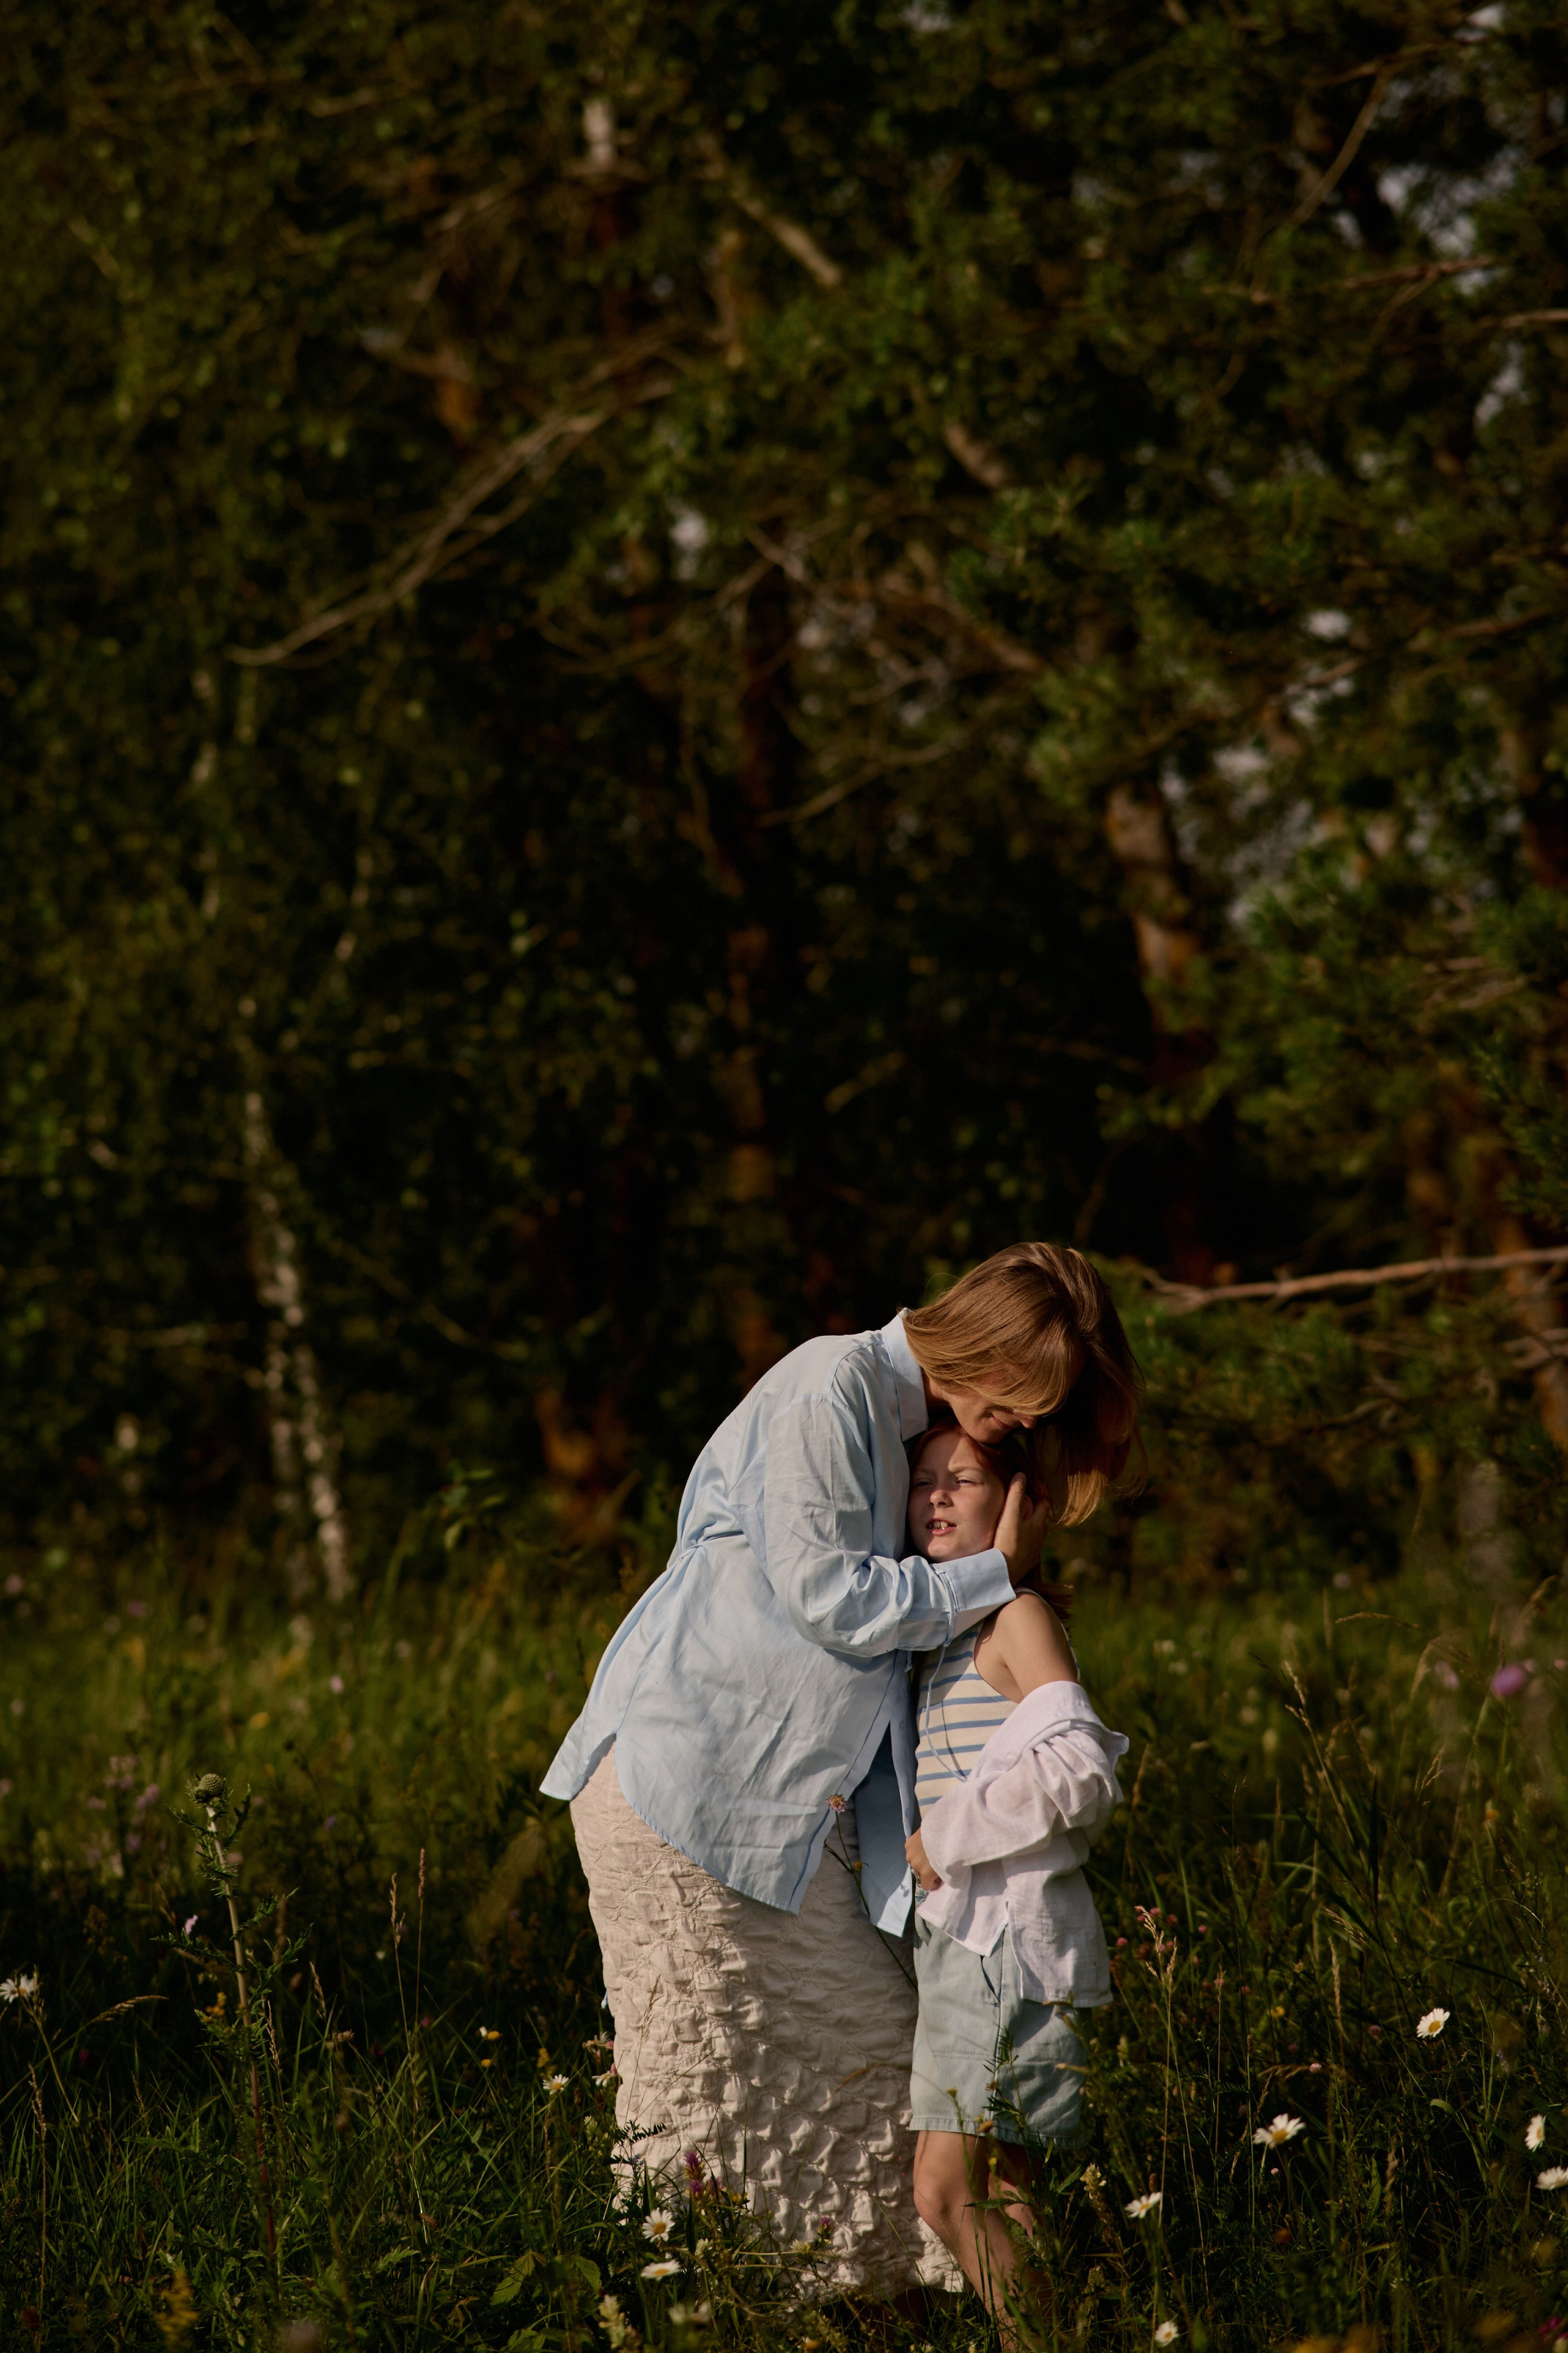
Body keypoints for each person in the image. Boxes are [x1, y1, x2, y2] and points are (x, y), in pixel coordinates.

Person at [541, 1243, 1140, 2292]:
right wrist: (1001, 1573)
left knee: (879, 2089)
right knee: (716, 2105)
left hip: (782, 1813)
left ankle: (872, 2312)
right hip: (695, 1788)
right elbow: (834, 1599)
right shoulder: (832, 1384)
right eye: (1016, 1399)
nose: (1014, 1431)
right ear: (981, 1345)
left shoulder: (917, 1436)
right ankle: (715, 2308)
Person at [901, 1422, 1128, 2338]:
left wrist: (941, 1837)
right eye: (922, 1482)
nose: (938, 1498)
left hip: (1008, 1946)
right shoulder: (949, 1632)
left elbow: (1082, 1769)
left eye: (964, 1480)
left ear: (1021, 1504)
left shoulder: (1014, 1618)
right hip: (977, 1944)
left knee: (946, 2189)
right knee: (1002, 2190)